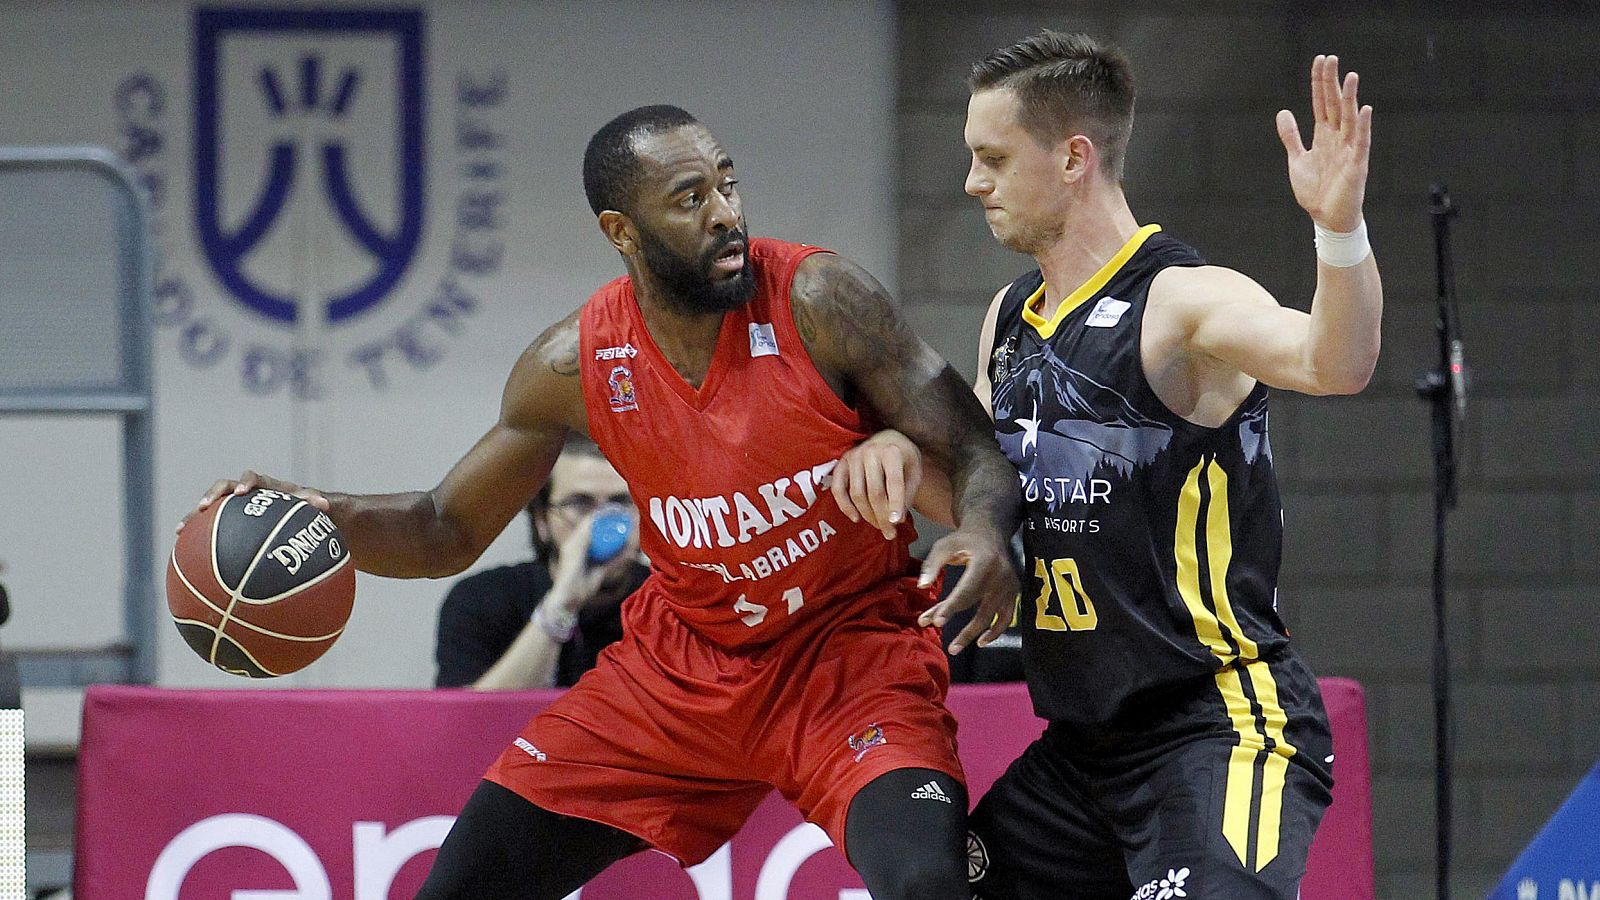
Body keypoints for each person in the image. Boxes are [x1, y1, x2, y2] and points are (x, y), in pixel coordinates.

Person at [186, 104, 1020, 899]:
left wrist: (983, 531)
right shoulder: (572, 363)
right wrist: (328, 513)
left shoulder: (820, 298)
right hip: (679, 674)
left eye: (727, 184)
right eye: (689, 199)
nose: (725, 213)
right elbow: (446, 529)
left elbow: (974, 445)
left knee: (926, 885)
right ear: (621, 232)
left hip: (849, 662)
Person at [832, 34, 1382, 899]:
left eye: (993, 159)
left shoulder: (1182, 301)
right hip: (1083, 749)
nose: (973, 183)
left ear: (1074, 158)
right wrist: (893, 457)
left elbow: (1335, 363)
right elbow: (991, 481)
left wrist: (1339, 230)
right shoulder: (1010, 317)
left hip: (1216, 723)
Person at [434, 436, 647, 690]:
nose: (600, 525)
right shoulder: (481, 599)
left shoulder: (674, 602)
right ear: (542, 521)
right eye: (580, 503)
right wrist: (561, 605)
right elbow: (469, 723)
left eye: (621, 503)